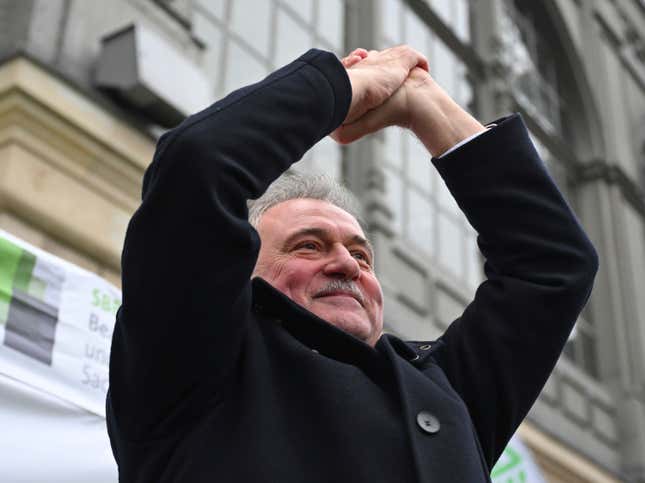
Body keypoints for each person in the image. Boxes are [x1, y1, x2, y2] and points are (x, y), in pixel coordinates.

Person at [106, 46, 598, 482]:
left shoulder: (446, 395)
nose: (346, 263)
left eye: (362, 254)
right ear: (241, 275)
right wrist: (345, 88)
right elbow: (198, 165)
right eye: (308, 246)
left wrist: (425, 106)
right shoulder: (192, 366)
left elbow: (554, 265)